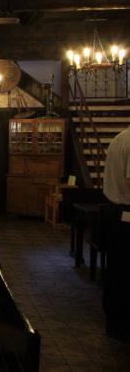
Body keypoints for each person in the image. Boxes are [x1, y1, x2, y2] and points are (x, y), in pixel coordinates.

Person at [102, 125, 130, 337]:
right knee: (125, 272)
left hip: (112, 209)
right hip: (126, 215)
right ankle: (122, 324)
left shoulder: (119, 138)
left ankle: (113, 319)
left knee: (115, 269)